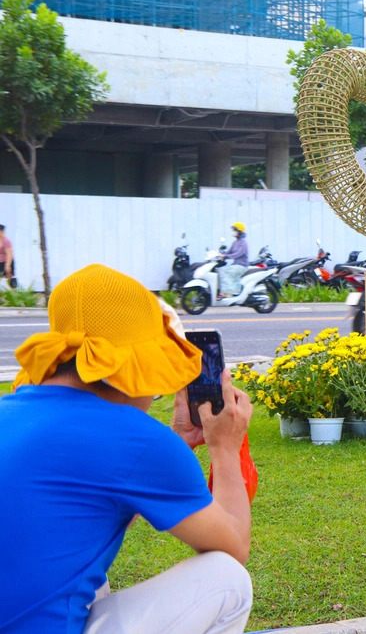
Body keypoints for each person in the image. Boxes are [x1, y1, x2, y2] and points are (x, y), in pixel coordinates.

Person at [0, 264, 254, 633]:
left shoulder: (9, 410)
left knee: (86, 569)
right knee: (227, 578)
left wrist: (181, 440)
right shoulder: (135, 436)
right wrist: (225, 447)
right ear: (135, 369)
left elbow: (94, 502)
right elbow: (233, 545)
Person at [218, 222, 250, 299]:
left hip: (242, 266)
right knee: (218, 270)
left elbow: (237, 254)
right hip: (236, 265)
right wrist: (220, 254)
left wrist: (226, 256)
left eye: (234, 230)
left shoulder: (243, 242)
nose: (233, 232)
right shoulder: (235, 242)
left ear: (239, 231)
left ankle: (225, 293)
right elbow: (229, 252)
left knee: (223, 271)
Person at [0, 224, 15, 288]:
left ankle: (16, 295)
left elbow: (9, 254)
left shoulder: (6, 241)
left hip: (5, 262)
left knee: (10, 279)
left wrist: (8, 266)